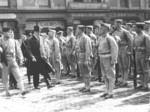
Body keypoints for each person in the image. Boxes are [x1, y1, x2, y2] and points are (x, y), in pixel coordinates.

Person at [0, 27, 28, 96]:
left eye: (10, 32)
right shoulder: (0, 41)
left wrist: (21, 59)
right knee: (5, 77)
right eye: (7, 32)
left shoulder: (14, 41)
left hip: (13, 60)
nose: (9, 33)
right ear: (3, 33)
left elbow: (18, 50)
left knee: (18, 75)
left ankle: (23, 90)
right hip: (5, 62)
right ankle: (7, 92)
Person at [98, 23, 118, 99]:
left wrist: (114, 60)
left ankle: (111, 92)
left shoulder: (109, 38)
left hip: (108, 57)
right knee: (104, 75)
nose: (99, 30)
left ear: (106, 29)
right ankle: (106, 91)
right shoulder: (101, 38)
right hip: (101, 57)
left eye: (101, 28)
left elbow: (114, 49)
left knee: (110, 76)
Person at [113, 19, 132, 87]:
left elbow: (130, 41)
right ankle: (122, 79)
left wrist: (129, 50)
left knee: (125, 65)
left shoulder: (125, 32)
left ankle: (125, 80)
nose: (115, 25)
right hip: (118, 49)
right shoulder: (115, 32)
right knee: (120, 65)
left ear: (119, 23)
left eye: (116, 23)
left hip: (124, 48)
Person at [132, 22, 150, 91]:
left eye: (136, 27)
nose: (134, 29)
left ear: (139, 28)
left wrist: (147, 56)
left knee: (145, 70)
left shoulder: (145, 36)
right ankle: (142, 83)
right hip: (137, 54)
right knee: (139, 70)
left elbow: (148, 47)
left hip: (143, 54)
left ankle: (146, 84)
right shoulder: (136, 36)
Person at [76, 25, 92, 92]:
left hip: (84, 55)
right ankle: (85, 85)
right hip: (80, 55)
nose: (76, 30)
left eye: (77, 29)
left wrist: (87, 59)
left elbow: (88, 49)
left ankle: (88, 87)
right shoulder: (79, 37)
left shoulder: (86, 38)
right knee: (83, 72)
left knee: (87, 72)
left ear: (81, 30)